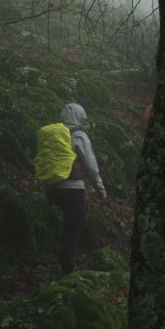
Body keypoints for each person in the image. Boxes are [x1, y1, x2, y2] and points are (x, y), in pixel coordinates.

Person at [46, 103, 107, 275]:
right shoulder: (80, 136)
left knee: (63, 224)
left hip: (53, 188)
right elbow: (91, 167)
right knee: (73, 228)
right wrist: (101, 191)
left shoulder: (52, 135)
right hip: (73, 190)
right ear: (79, 118)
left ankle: (59, 253)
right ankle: (67, 269)